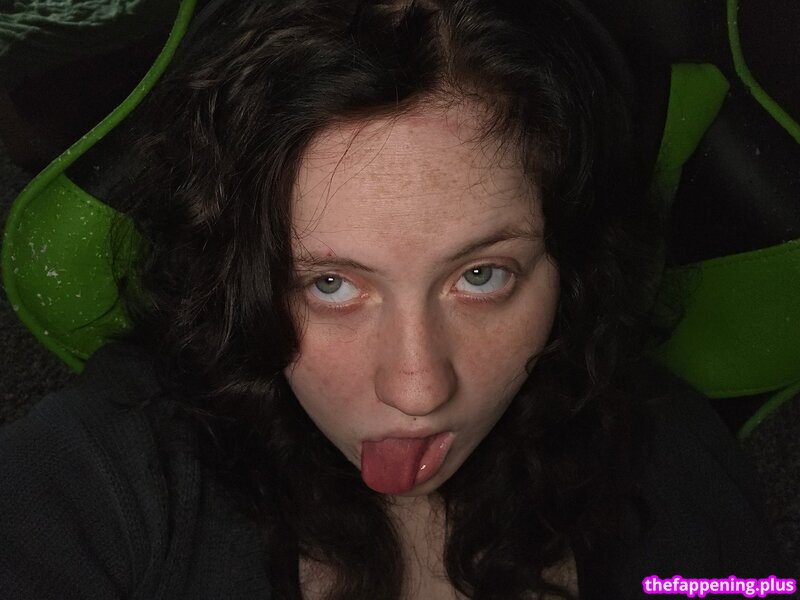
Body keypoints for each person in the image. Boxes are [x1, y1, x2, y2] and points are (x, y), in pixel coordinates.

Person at [0, 1, 784, 598]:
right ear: (240, 274)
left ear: (566, 263)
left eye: (482, 276)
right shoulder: (114, 474)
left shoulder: (675, 462)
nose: (417, 389)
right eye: (331, 284)